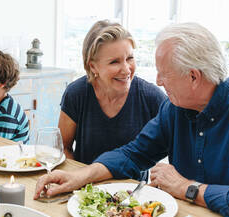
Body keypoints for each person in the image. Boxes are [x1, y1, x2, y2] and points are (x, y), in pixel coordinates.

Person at [35, 22, 229, 217]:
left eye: (164, 73)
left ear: (193, 76)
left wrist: (187, 188)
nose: (158, 81)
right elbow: (134, 154)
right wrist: (78, 177)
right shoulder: (174, 108)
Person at [58, 20, 166, 177]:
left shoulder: (151, 97)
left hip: (133, 195)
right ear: (93, 66)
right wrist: (78, 179)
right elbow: (64, 147)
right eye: (114, 62)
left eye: (129, 58)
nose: (126, 69)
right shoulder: (76, 93)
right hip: (86, 190)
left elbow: (178, 142)